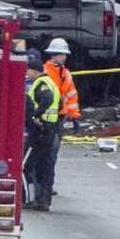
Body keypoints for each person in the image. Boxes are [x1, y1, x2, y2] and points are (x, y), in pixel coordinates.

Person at [42, 37, 80, 199]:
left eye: (65, 54)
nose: (64, 57)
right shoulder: (45, 72)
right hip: (45, 120)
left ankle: (46, 186)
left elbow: (71, 96)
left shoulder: (65, 73)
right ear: (53, 55)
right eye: (61, 54)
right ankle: (43, 187)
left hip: (59, 118)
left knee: (52, 153)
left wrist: (75, 116)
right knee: (46, 154)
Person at [24, 51, 61, 211]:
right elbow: (59, 104)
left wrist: (35, 115)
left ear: (34, 71)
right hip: (50, 128)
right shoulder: (50, 81)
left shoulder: (42, 83)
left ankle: (36, 199)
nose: (26, 74)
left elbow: (48, 99)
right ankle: (42, 200)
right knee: (44, 165)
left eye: (28, 71)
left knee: (30, 165)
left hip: (42, 129)